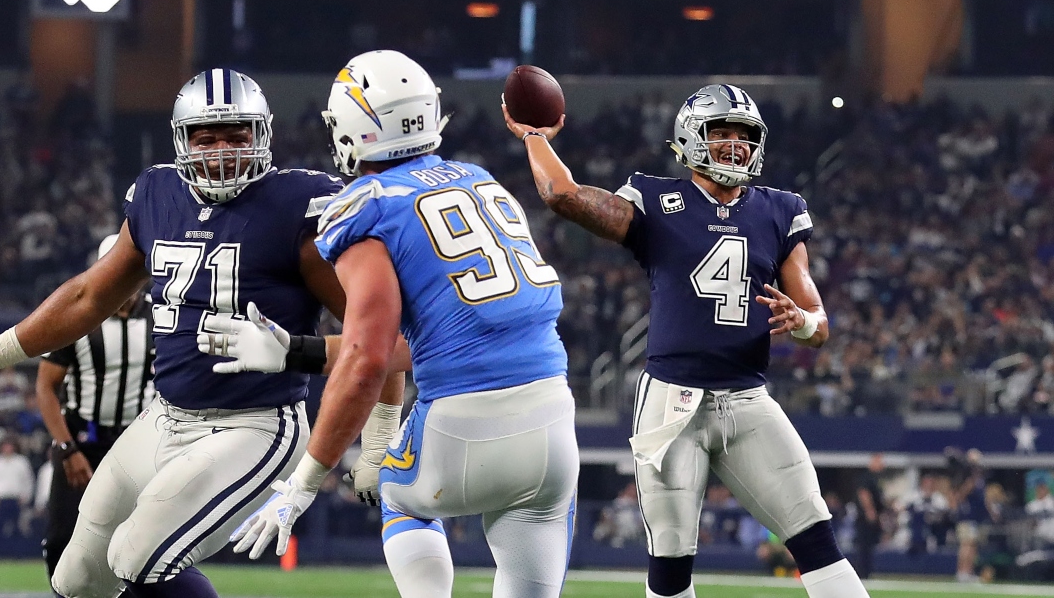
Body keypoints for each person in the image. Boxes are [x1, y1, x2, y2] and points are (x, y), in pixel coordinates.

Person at [0, 67, 403, 598]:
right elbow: (89, 295)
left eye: (236, 134)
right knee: (76, 579)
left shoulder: (300, 208)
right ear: (180, 139)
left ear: (263, 135)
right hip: (163, 416)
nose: (220, 151)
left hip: (253, 425)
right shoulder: (156, 192)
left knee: (138, 556)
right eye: (204, 136)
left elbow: (379, 338)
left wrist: (379, 437)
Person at [206, 50, 577, 598]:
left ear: (356, 127)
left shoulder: (363, 205)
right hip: (552, 421)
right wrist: (298, 352)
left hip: (462, 421)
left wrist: (302, 485)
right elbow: (432, 339)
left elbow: (370, 356)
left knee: (399, 497)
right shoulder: (478, 179)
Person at [503, 84, 869, 598]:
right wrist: (536, 137)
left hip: (746, 398)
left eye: (744, 135)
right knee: (672, 565)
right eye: (720, 133)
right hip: (672, 404)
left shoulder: (780, 209)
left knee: (818, 539)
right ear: (691, 137)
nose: (735, 145)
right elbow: (562, 195)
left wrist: (802, 320)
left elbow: (819, 323)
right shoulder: (656, 200)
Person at [35, 234, 156, 584]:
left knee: (138, 543)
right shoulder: (79, 317)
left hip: (135, 444)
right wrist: (66, 447)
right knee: (62, 539)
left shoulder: (160, 315)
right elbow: (45, 387)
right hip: (81, 442)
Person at [0, 436, 36, 557]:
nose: (7, 448)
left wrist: (26, 497)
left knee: (17, 529)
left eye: (10, 445)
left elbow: (28, 481)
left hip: (16, 500)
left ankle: (17, 555)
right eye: (5, 445)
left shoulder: (22, 462)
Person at [853, 453, 886, 577]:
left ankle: (866, 571)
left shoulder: (877, 478)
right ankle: (862, 572)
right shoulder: (867, 477)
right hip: (865, 519)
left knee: (870, 546)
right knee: (864, 547)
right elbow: (864, 493)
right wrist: (870, 511)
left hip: (872, 518)